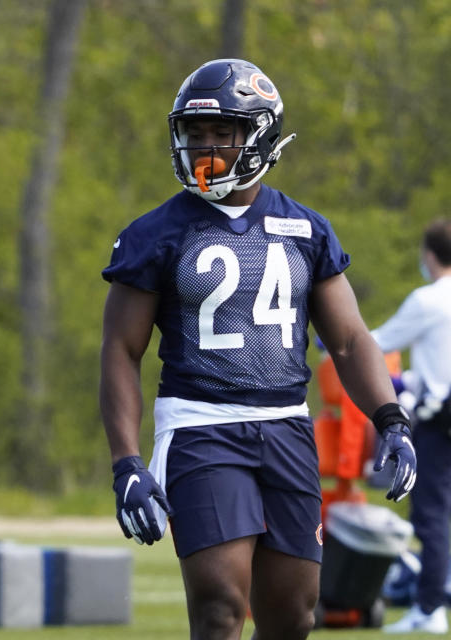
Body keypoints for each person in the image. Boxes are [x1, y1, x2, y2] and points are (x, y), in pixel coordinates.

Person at [99, 58, 417, 640]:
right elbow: (121, 351)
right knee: (221, 605)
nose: (205, 147)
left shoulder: (307, 229)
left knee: (293, 614)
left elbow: (348, 340)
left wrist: (390, 419)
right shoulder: (154, 234)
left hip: (287, 429)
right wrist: (126, 463)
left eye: (223, 133)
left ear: (261, 134)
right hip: (200, 428)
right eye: (195, 134)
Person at [373, 219, 451, 634]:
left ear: (429, 254)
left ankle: (430, 606)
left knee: (432, 517)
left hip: (440, 423)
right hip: (441, 406)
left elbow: (378, 342)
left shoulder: (429, 299)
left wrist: (331, 340)